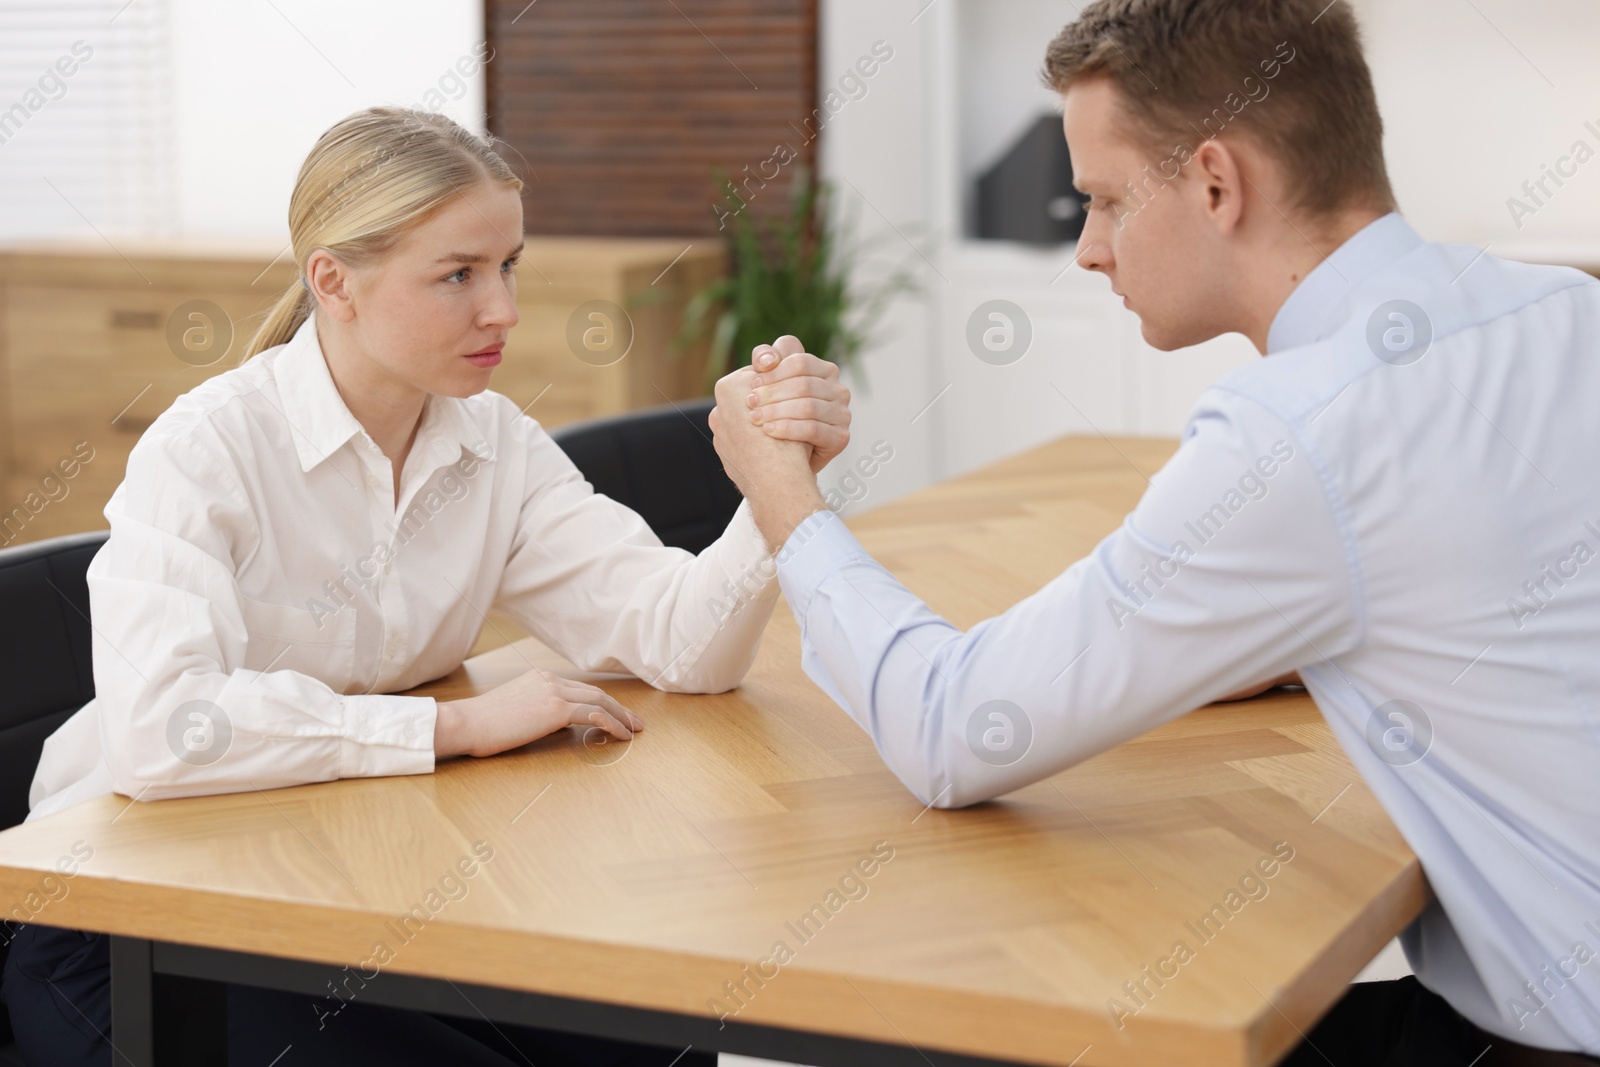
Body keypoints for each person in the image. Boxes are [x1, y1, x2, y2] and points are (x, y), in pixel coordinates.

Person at [706, 1, 1600, 1064]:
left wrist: (783, 498)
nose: (1088, 249)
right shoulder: (1558, 308)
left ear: (1217, 184)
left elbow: (954, 729)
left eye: (1104, 200)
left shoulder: (1295, 430)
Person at [0, 106, 852, 1066]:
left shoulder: (492, 445)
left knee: (655, 1044)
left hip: (342, 890)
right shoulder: (206, 452)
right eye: (458, 275)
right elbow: (166, 732)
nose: (504, 309)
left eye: (508, 266)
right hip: (125, 928)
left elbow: (684, 644)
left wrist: (777, 482)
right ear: (335, 281)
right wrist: (450, 728)